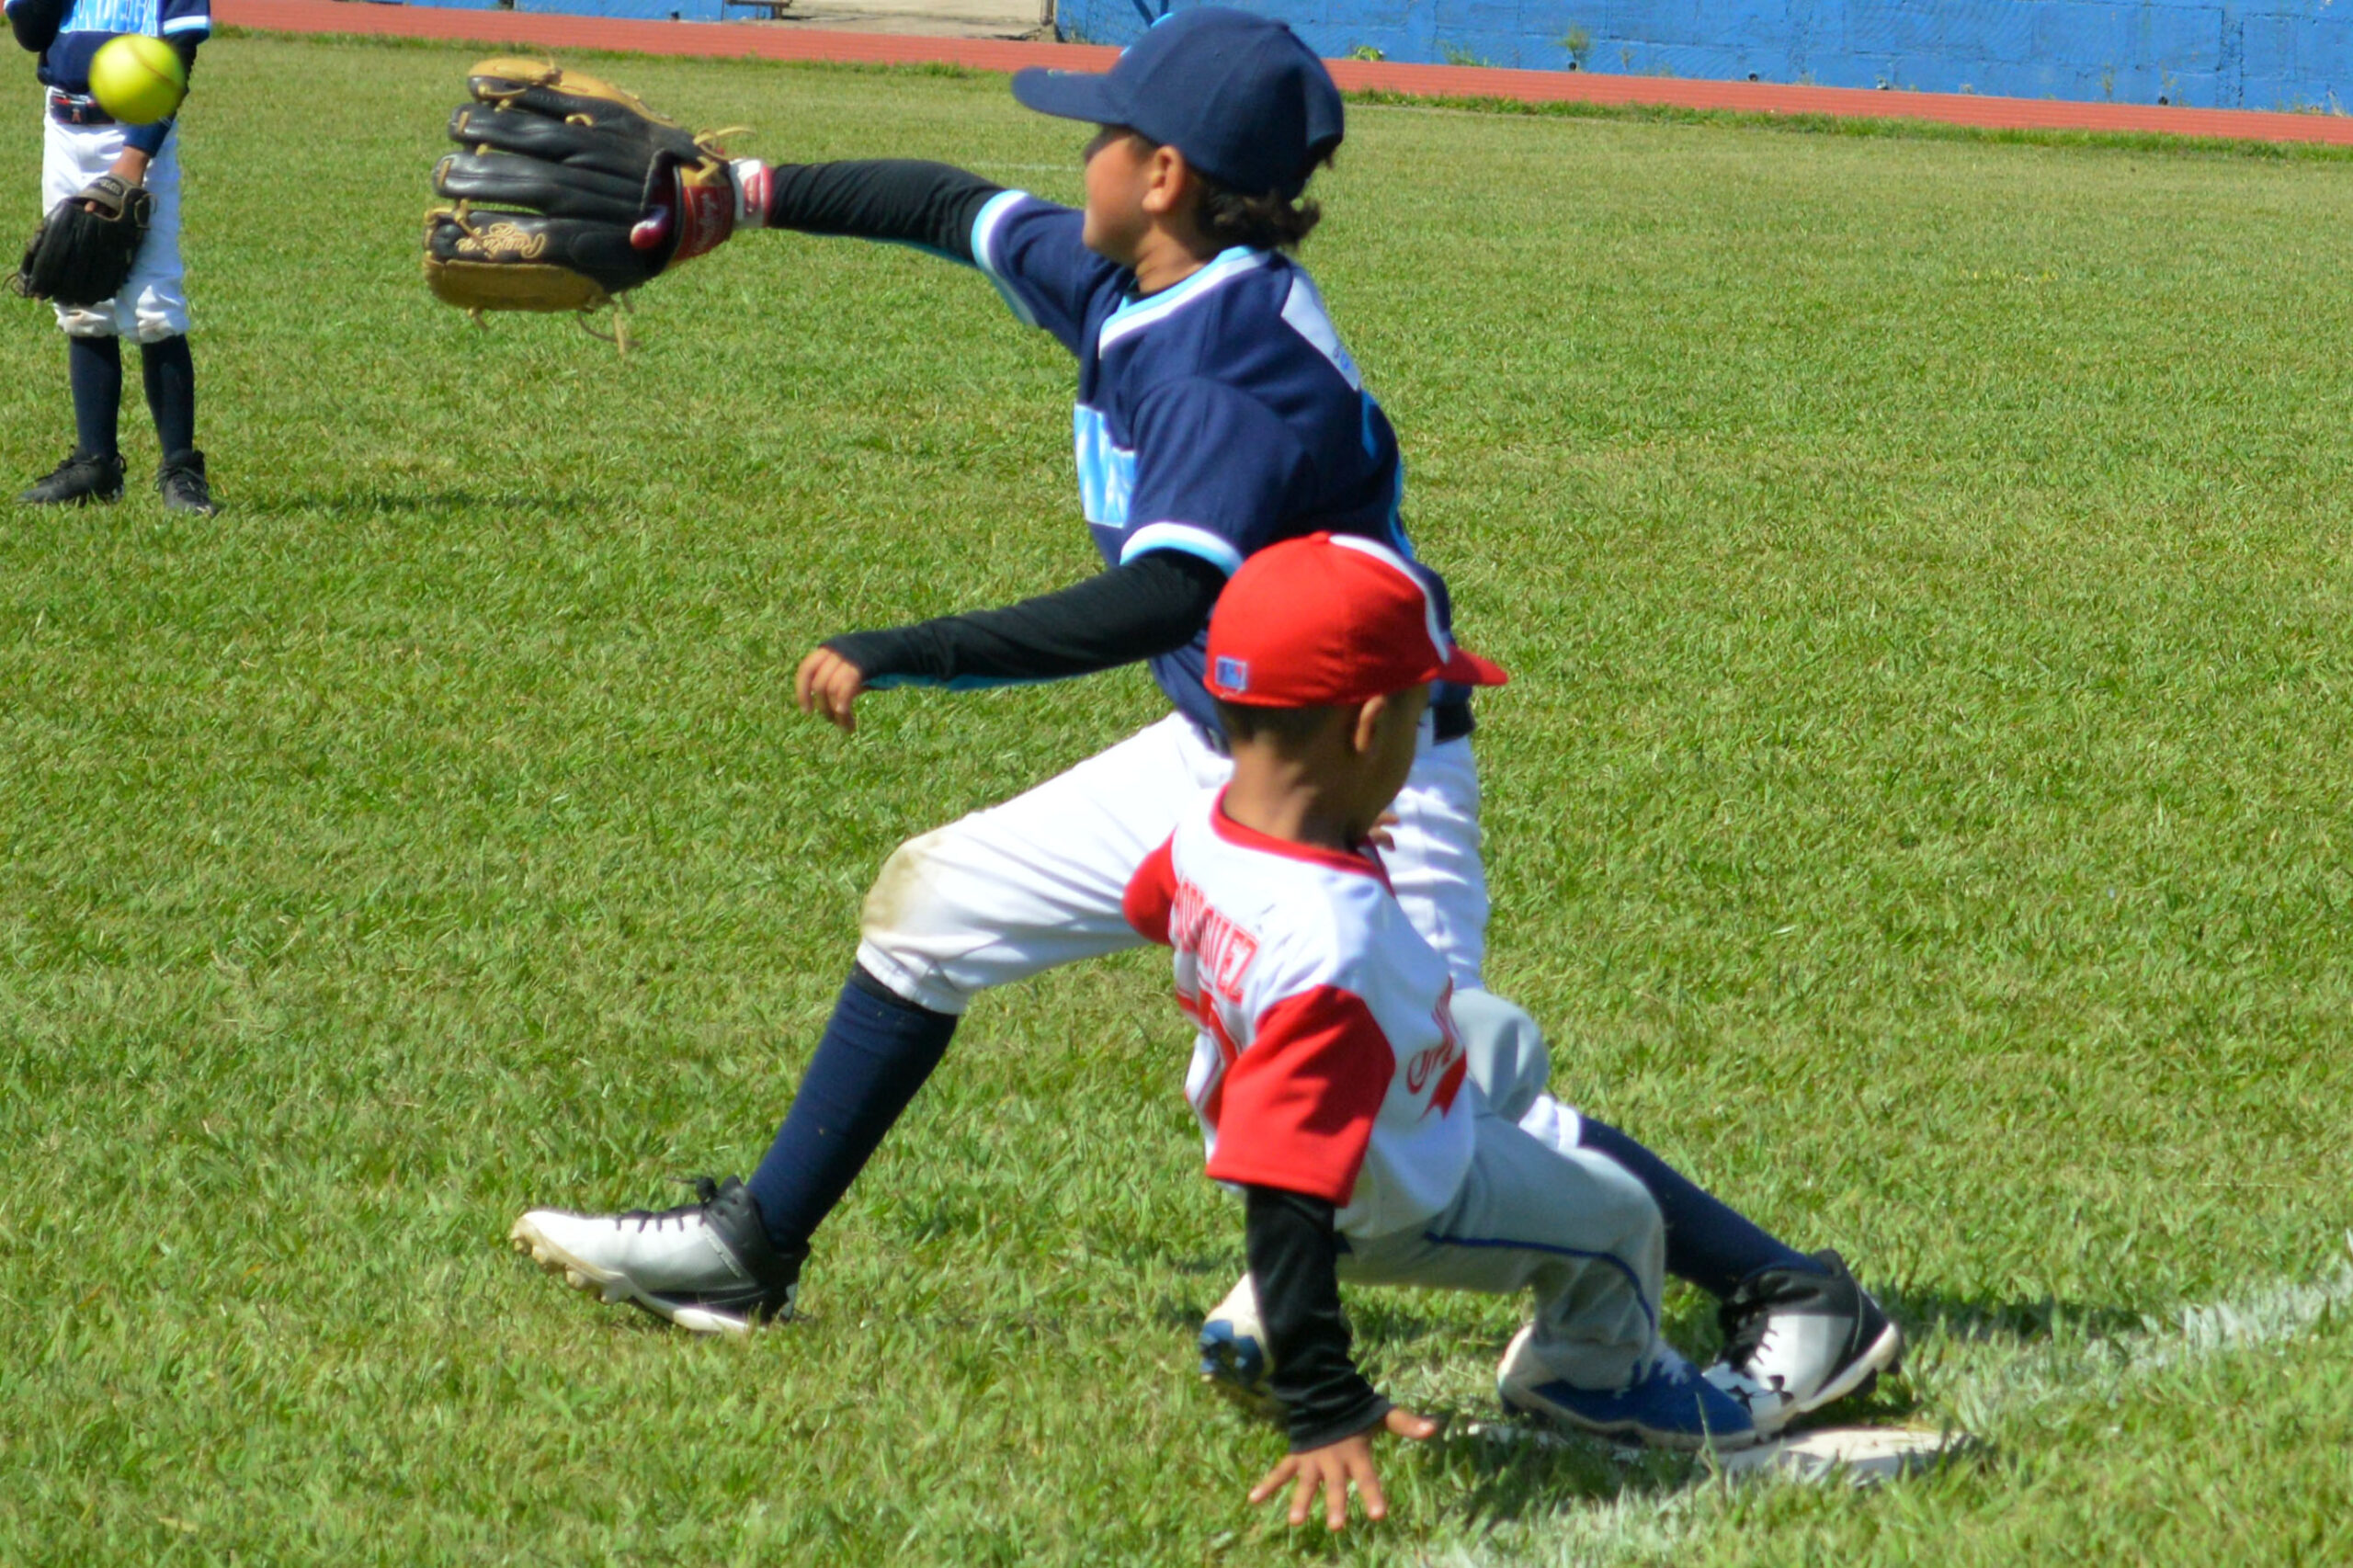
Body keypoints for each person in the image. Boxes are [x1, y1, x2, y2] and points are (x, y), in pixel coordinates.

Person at [507, 6, 1898, 1435]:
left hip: (1359, 783)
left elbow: (1164, 599)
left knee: (1436, 1115)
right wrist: (741, 198)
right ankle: (751, 1252)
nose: (1080, 158)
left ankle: (1794, 1292)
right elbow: (945, 204)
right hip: (1225, 745)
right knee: (935, 905)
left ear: (1162, 175)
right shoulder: (1138, 277)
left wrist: (904, 650)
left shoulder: (1235, 367)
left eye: (1103, 134)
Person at [1125, 532, 1760, 1530]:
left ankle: (1268, 1309)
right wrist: (1323, 1403)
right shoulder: (1328, 947)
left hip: (1348, 1083)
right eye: (1422, 712)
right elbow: (1287, 1189)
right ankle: (1588, 1373)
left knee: (1501, 1038)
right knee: (1619, 1220)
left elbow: (1148, 900)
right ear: (1369, 727)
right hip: (1392, 1182)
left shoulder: (1217, 823)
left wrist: (1321, 851)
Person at [7, 0, 214, 514]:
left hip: (134, 133)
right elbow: (31, 34)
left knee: (154, 305)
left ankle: (181, 470)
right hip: (64, 127)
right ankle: (94, 464)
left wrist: (134, 159)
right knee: (78, 290)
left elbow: (178, 56)